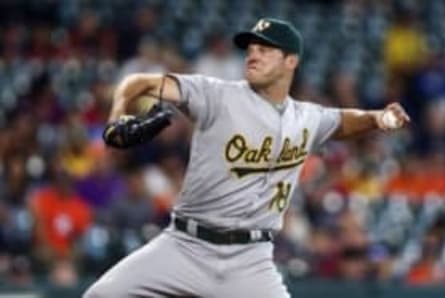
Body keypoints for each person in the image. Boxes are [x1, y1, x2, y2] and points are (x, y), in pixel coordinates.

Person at [84, 18, 410, 298]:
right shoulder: (216, 94)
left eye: (265, 50)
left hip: (251, 260)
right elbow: (137, 83)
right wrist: (116, 117)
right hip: (185, 246)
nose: (253, 55)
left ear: (290, 62)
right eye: (251, 49)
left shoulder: (307, 118)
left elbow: (341, 121)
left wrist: (378, 118)